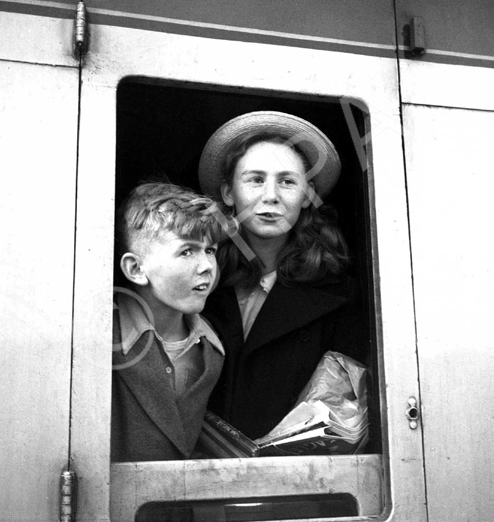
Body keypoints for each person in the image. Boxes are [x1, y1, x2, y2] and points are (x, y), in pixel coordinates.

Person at [198, 111, 368, 440]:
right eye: (255, 179)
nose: (271, 196)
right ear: (229, 193)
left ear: (307, 196)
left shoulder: (340, 296)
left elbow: (345, 414)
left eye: (287, 181)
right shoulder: (198, 282)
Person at [110, 182, 225, 461]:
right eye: (187, 251)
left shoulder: (212, 347)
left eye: (210, 250)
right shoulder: (103, 337)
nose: (207, 266)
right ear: (136, 269)